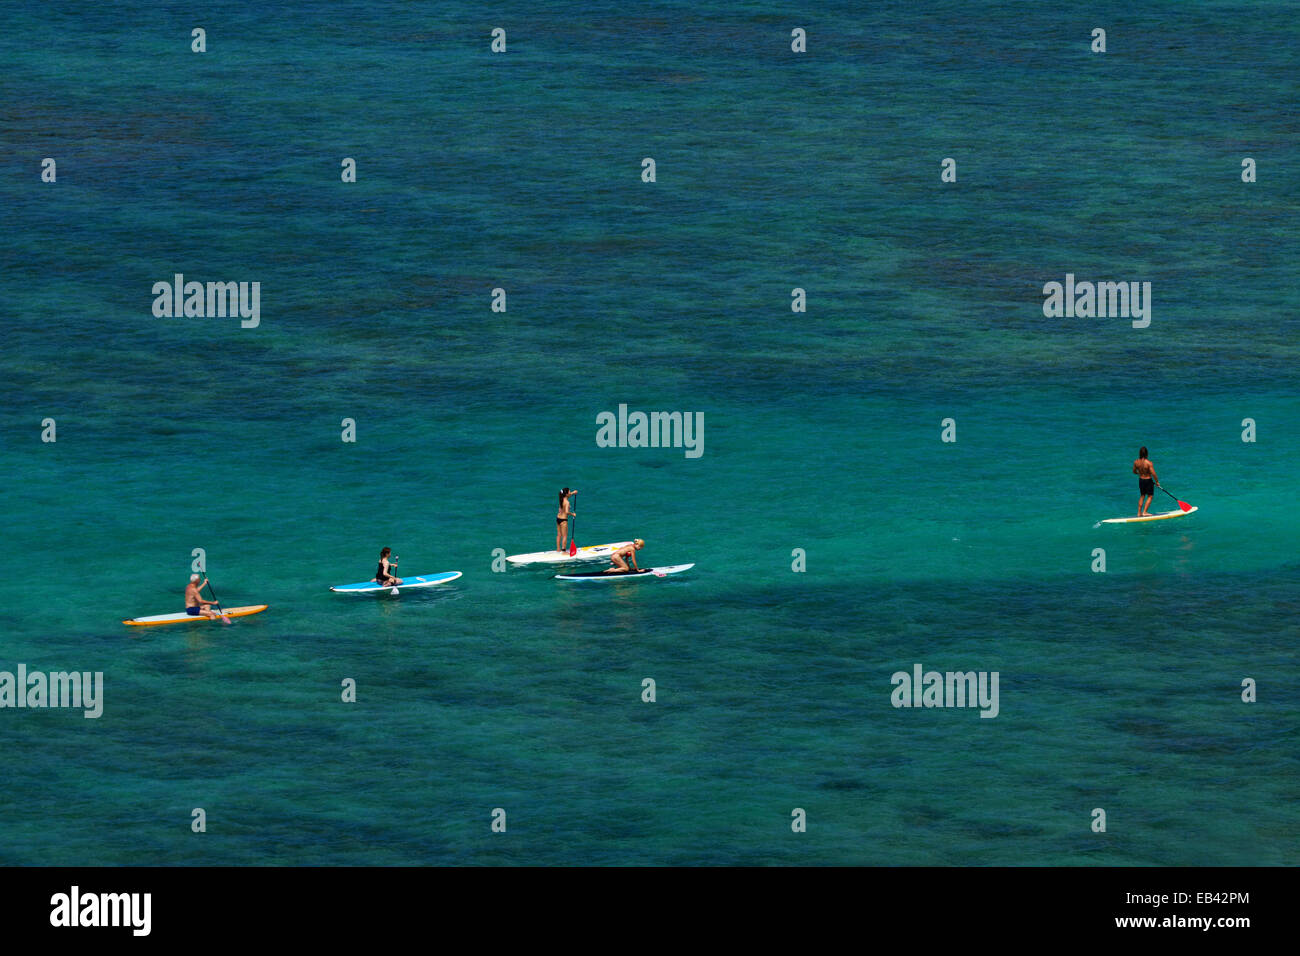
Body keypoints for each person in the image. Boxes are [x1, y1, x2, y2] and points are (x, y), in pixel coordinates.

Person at [1132, 446, 1159, 517]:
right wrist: (1157, 482)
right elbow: (1153, 473)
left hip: (1141, 480)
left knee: (1142, 495)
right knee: (1150, 496)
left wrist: (1139, 473)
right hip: (1148, 480)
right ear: (1147, 454)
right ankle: (1145, 512)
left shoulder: (1136, 462)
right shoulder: (1149, 463)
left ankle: (1139, 513)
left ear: (1140, 453)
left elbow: (1134, 471)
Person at [556, 487, 577, 552]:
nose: (570, 493)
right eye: (569, 492)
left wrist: (574, 492)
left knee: (559, 535)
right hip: (563, 520)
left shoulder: (561, 499)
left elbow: (569, 495)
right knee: (565, 536)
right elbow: (567, 512)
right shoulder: (567, 502)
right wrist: (572, 514)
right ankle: (563, 551)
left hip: (558, 518)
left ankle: (558, 549)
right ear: (566, 494)